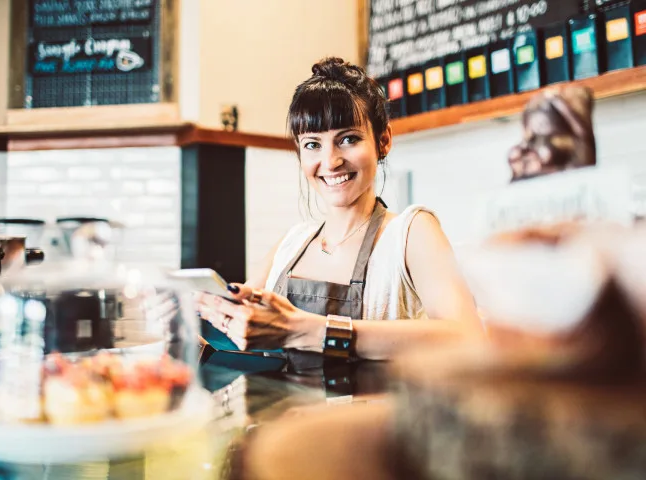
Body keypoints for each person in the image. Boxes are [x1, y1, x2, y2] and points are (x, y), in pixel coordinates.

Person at [197, 57, 480, 361]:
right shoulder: (293, 242)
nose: (330, 161)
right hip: (285, 408)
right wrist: (186, 329)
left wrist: (307, 331)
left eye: (348, 139)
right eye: (312, 144)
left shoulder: (411, 232)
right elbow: (237, 337)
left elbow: (467, 338)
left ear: (383, 141)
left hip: (375, 409)